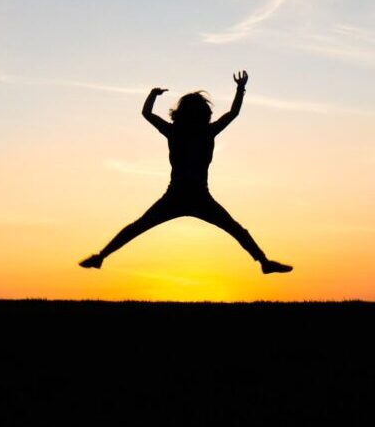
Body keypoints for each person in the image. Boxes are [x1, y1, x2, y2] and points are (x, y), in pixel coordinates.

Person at [80, 70, 291, 275]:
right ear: (203, 114)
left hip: (185, 196)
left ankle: (101, 257)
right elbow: (233, 113)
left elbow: (147, 113)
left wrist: (153, 95)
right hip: (189, 196)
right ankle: (264, 262)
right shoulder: (202, 131)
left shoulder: (177, 131)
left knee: (138, 227)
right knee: (236, 230)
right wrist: (240, 88)